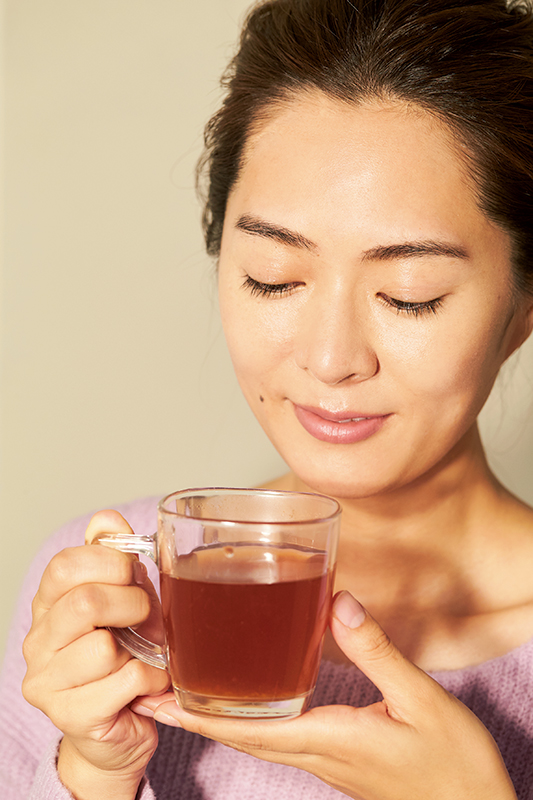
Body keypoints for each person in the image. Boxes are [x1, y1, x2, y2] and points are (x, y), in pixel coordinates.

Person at [2, 0, 533, 797]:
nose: (329, 359)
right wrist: (93, 772)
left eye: (409, 294)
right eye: (272, 279)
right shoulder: (111, 595)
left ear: (520, 309)